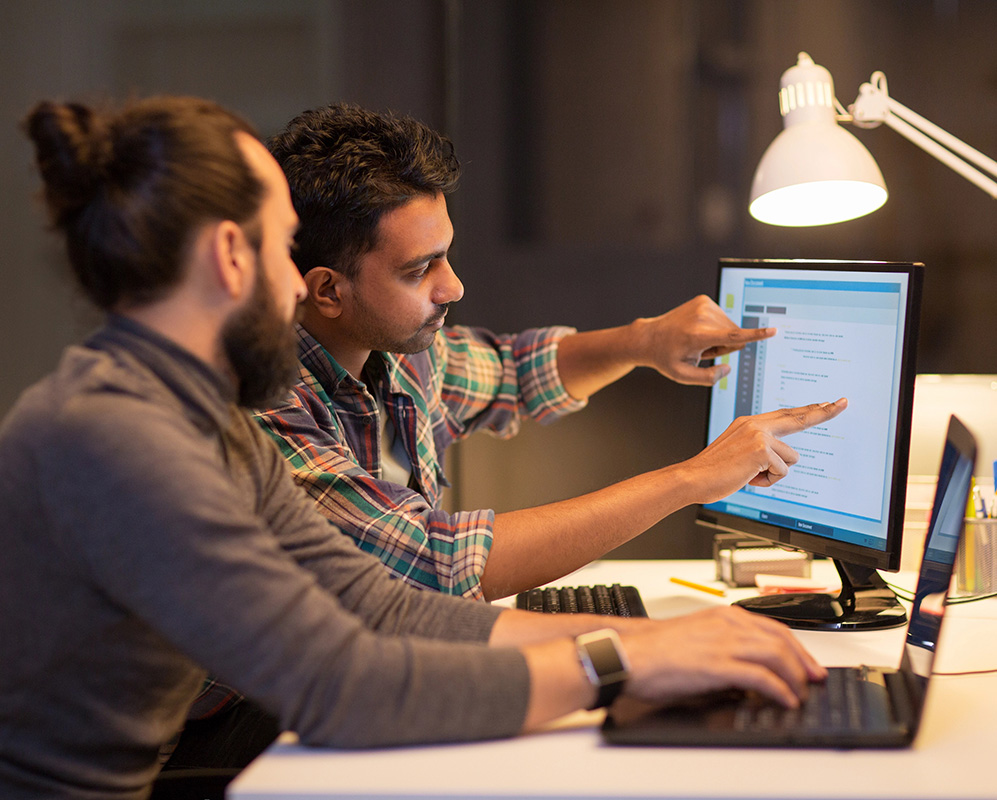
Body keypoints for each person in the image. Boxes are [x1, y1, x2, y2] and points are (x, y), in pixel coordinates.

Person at [0, 94, 841, 799]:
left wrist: (657, 645)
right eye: (280, 247)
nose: (294, 285)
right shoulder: (118, 441)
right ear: (230, 256)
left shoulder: (200, 418)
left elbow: (386, 609)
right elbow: (343, 683)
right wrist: (618, 662)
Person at [258, 103, 844, 601]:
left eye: (446, 255)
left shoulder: (400, 356)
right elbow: (434, 563)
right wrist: (692, 478)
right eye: (419, 270)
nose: (453, 287)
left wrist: (643, 342)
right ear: (328, 291)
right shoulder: (265, 411)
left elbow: (514, 372)